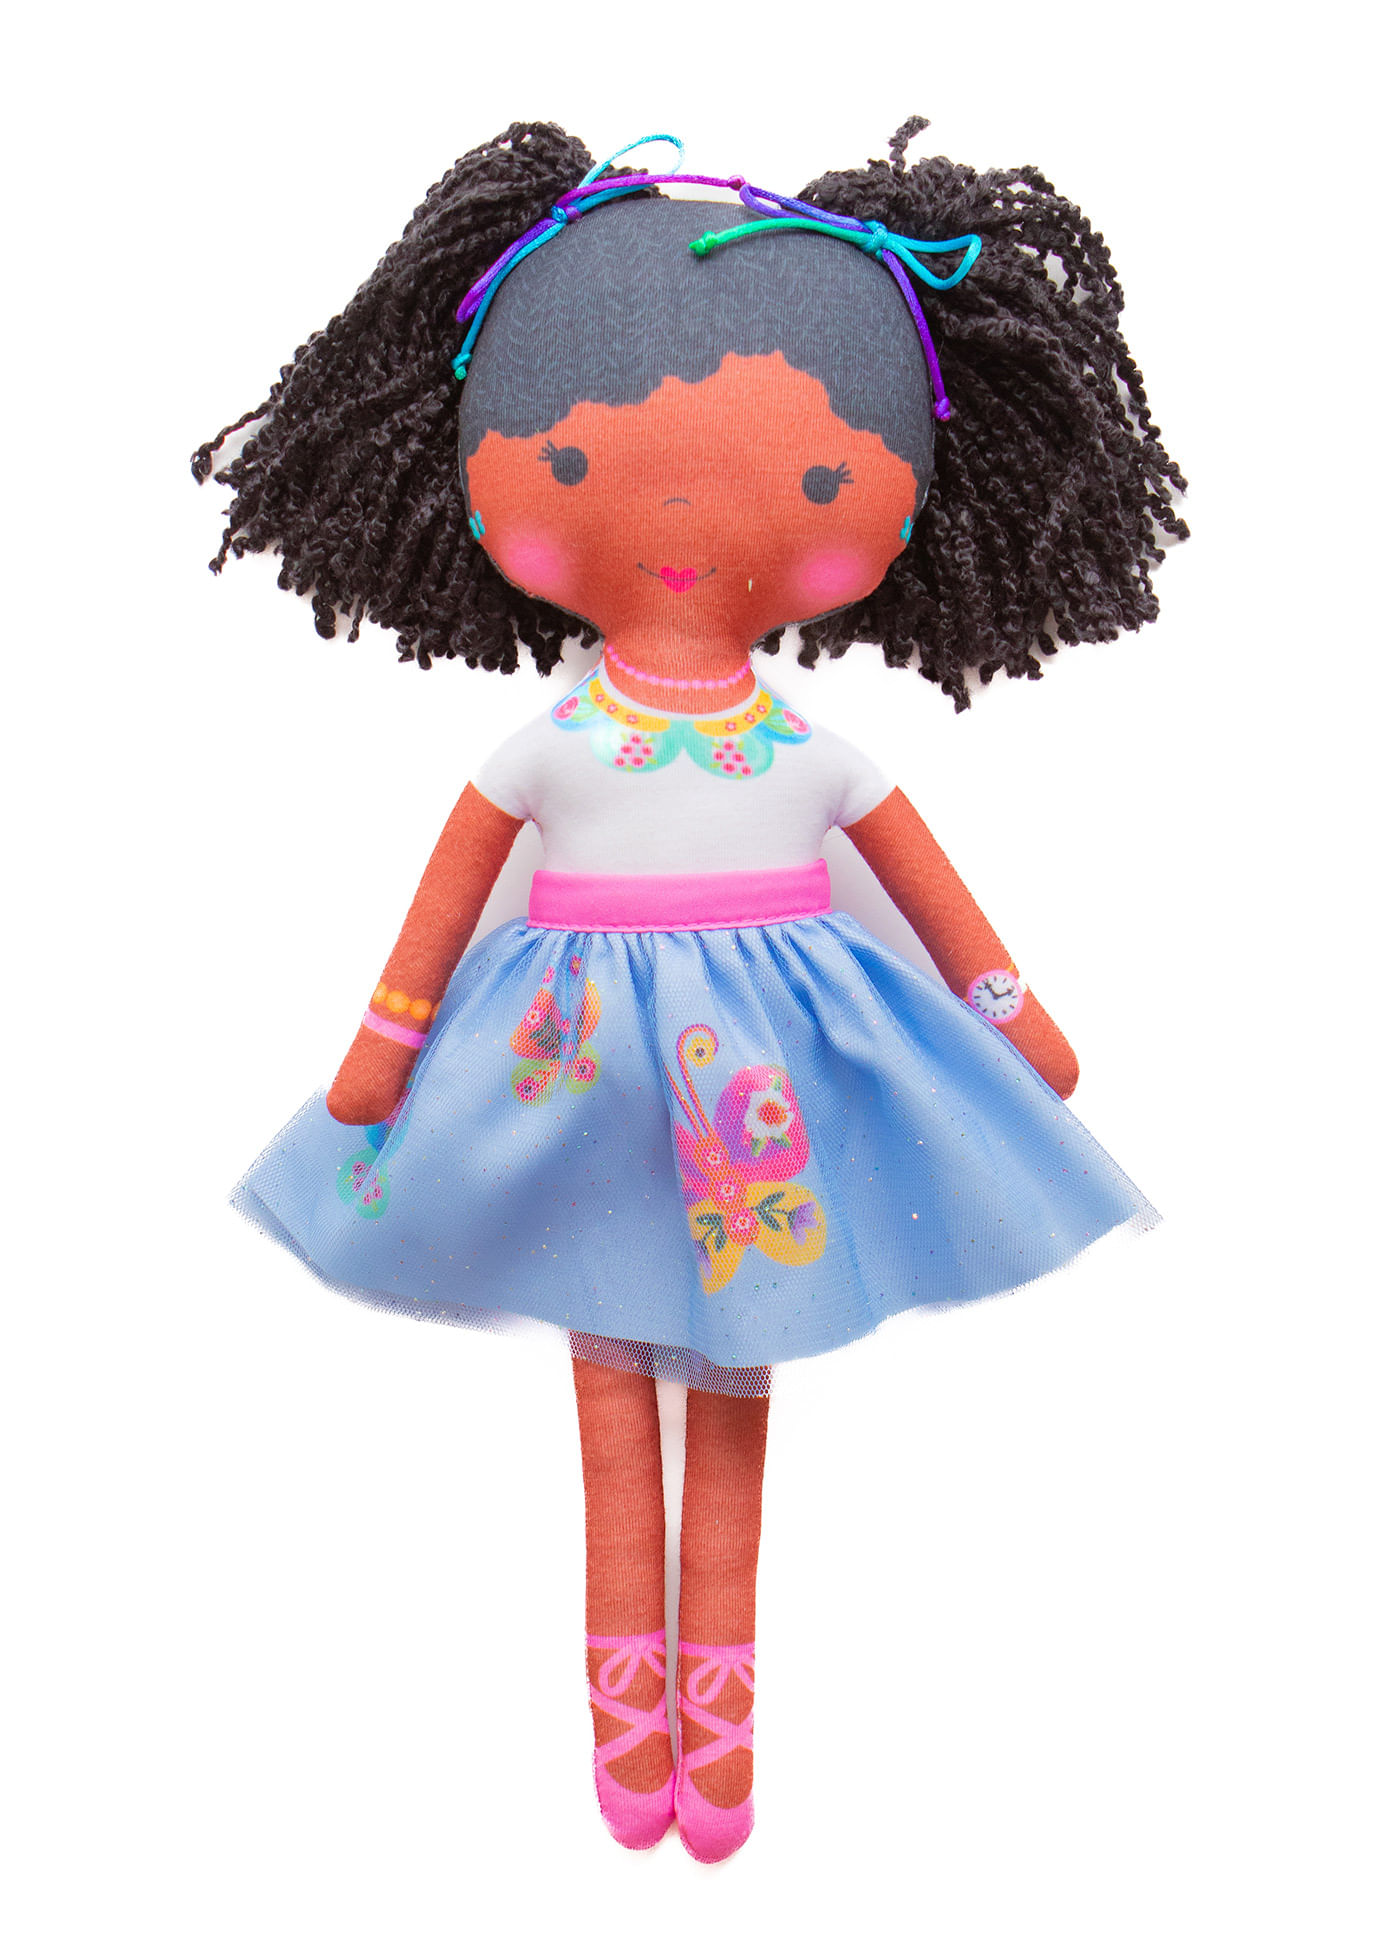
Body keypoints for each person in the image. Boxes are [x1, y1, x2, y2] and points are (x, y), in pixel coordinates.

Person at [195, 118, 1184, 1861]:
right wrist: (383, 1045)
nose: (672, 513)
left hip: (765, 1091)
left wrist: (1009, 1012)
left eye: (812, 479)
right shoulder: (548, 746)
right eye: (579, 458)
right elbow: (441, 907)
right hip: (573, 1075)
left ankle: (711, 1720)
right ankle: (626, 1707)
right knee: (612, 1388)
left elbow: (936, 900)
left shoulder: (811, 753)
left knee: (735, 1375)